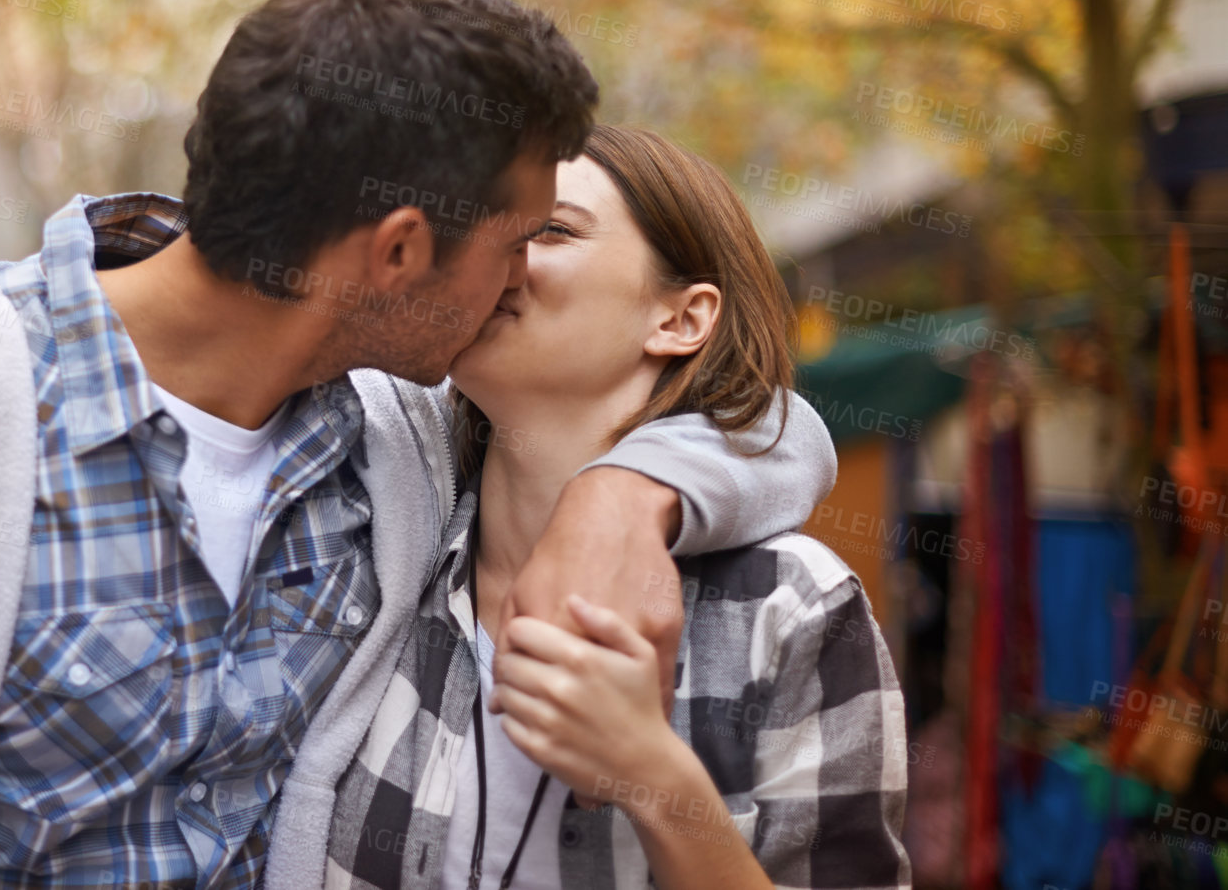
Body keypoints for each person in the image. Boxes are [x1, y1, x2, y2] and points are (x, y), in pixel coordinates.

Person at [0, 0, 835, 889]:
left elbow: (758, 415)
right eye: (516, 244)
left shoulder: (403, 434)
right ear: (401, 249)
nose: (520, 284)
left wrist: (628, 495)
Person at [293, 126, 909, 890]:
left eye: (550, 230)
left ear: (680, 319)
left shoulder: (790, 606)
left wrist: (651, 774)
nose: (497, 261)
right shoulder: (377, 540)